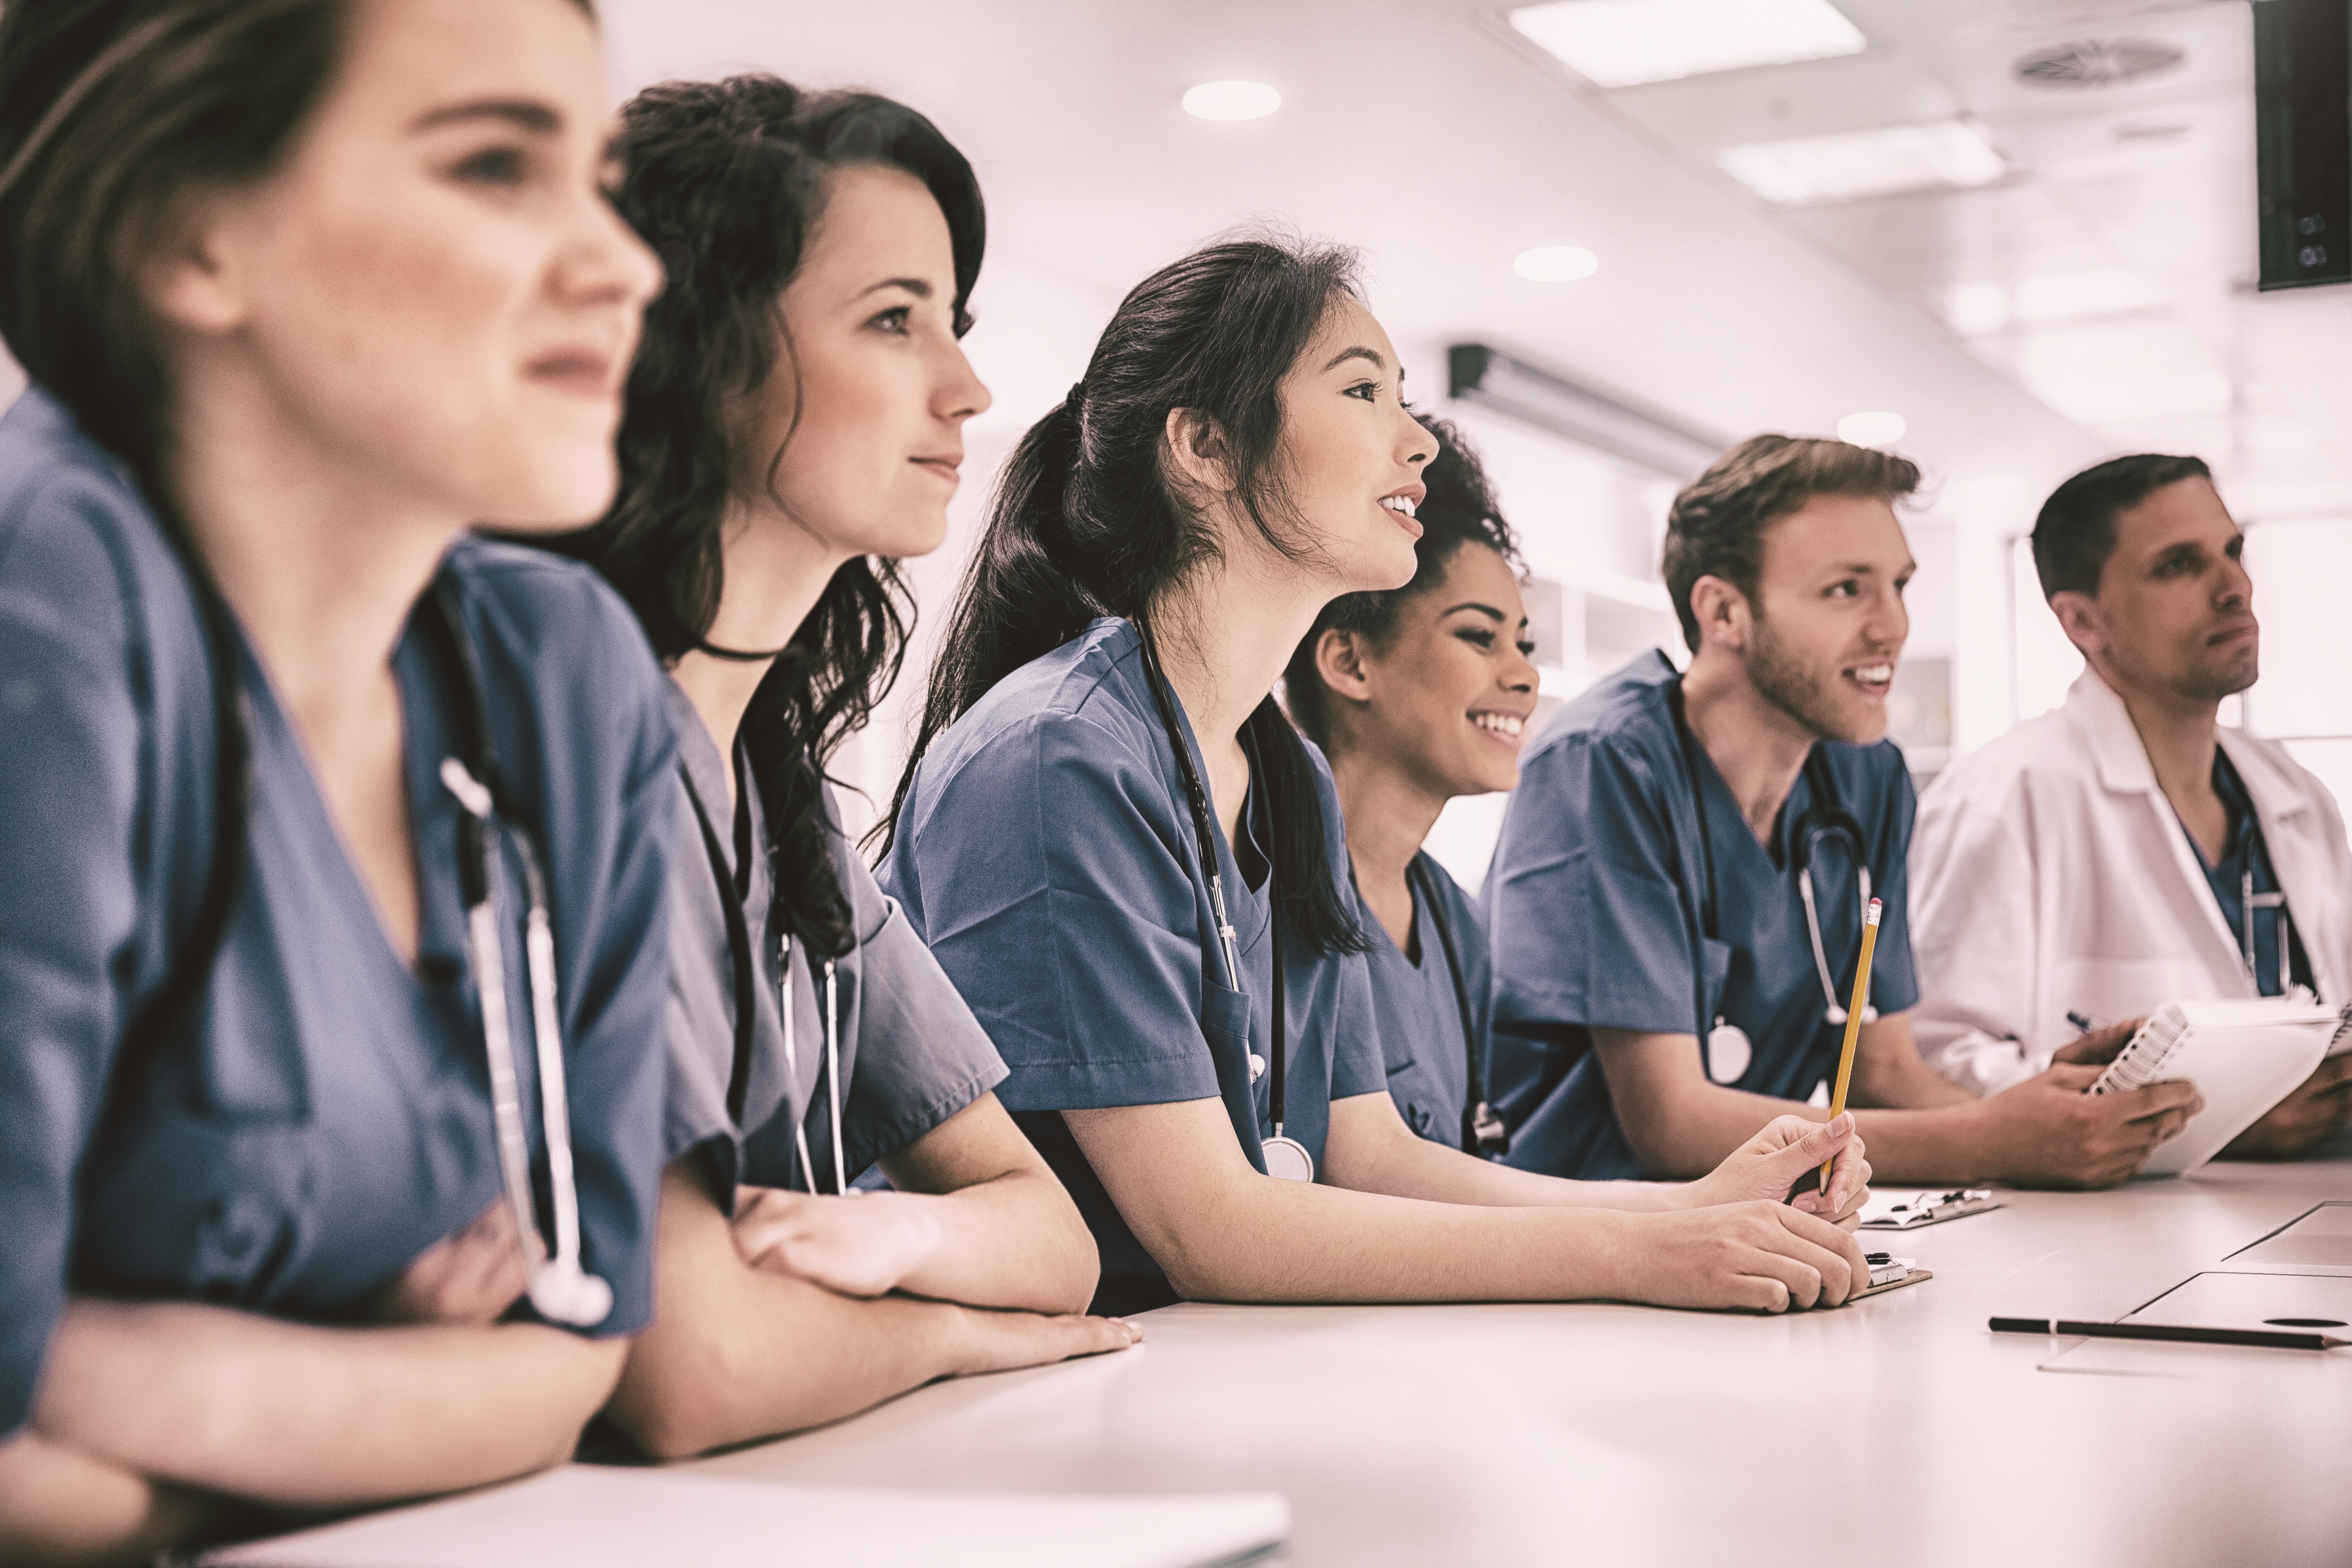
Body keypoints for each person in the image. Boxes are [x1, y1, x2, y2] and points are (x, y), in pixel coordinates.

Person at [881, 236, 1876, 1321]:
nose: (1417, 444)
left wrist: (1684, 1209)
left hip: (1216, 1374)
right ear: (1206, 446)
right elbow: (1211, 1227)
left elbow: (1371, 1151)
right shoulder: (1055, 753)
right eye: (1363, 389)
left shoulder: (1286, 770)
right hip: (1040, 1411)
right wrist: (1643, 1251)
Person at [0, 1, 674, 1561]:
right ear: (191, 237)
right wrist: (383, 1393)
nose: (622, 266)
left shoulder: (562, 671)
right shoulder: (51, 600)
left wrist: (119, 1370)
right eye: (498, 167)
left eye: (601, 175)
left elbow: (577, 1351)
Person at [567, 76, 1131, 1462]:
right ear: (700, 350)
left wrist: (890, 1230)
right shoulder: (571, 747)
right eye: (894, 319)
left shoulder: (781, 802)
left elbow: (1052, 1234)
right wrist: (947, 1329)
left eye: (956, 321)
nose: (969, 388)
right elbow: (693, 1366)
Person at [1483, 436, 2202, 1191]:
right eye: (1846, 590)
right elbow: (1672, 1123)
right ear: (1724, 610)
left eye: (1899, 585)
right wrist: (1992, 1141)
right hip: (1586, 1238)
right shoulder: (1605, 763)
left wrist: (2051, 1124)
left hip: (1759, 1226)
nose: (1893, 626)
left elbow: (1885, 1069)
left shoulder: (1866, 774)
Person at [1910, 454, 2352, 1156]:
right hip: (2124, 1235)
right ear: (2084, 620)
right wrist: (2222, 1115)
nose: (2234, 586)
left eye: (2232, 551)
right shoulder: (2005, 794)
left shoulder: (2293, 791)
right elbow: (1936, 1066)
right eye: (2178, 566)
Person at [1282, 416, 1532, 1154]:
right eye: (1479, 636)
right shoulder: (1275, 899)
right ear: (1351, 662)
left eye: (1525, 643)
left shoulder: (1456, 924)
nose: (1523, 675)